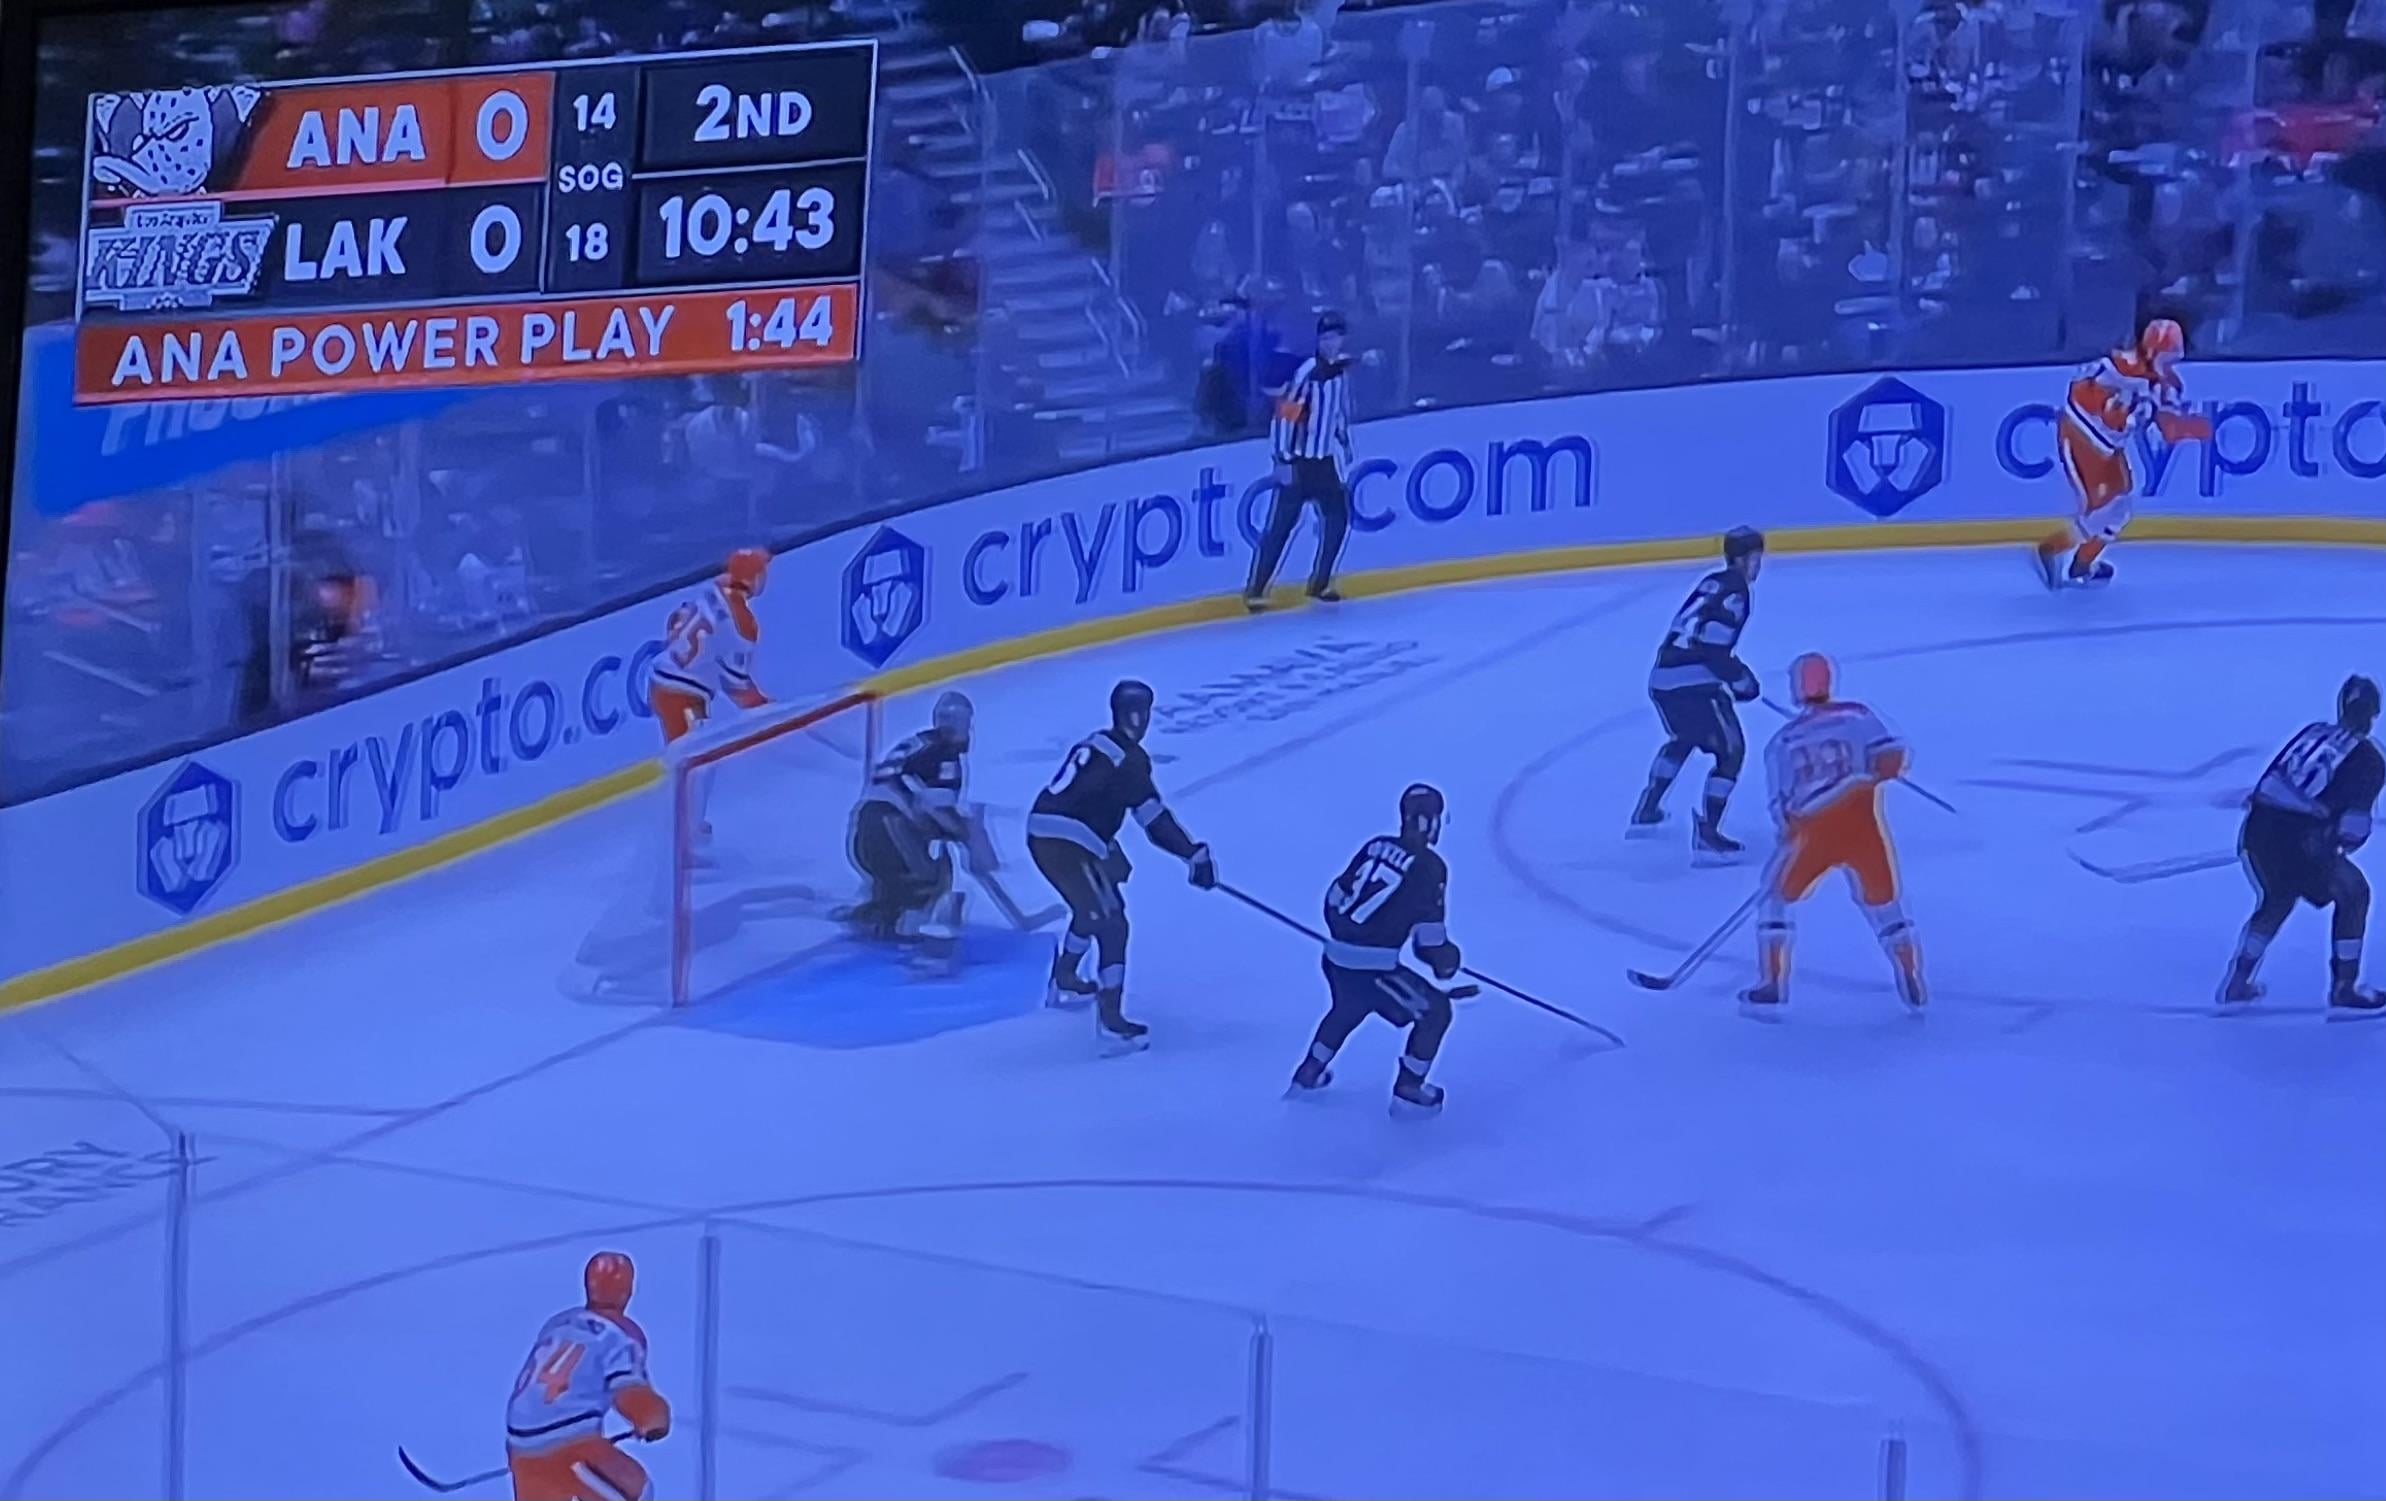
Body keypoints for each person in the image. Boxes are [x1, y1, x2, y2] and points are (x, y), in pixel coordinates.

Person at [1027, 680, 1219, 1053]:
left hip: (1047, 834)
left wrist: (1107, 848)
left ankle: (1065, 980)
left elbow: (1087, 799)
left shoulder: (1096, 743)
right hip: (1068, 843)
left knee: (1092, 908)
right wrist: (1192, 854)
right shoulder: (1129, 760)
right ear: (1135, 716)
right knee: (1111, 921)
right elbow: (1154, 820)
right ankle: (1111, 1021)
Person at [1745, 653, 1927, 1014]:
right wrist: (1878, 772)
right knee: (1885, 905)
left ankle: (1772, 981)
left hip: (1814, 830)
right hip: (1861, 824)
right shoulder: (1858, 716)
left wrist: (1789, 832)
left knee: (1774, 899)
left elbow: (1781, 804)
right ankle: (1909, 971)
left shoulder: (1783, 741)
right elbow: (1892, 757)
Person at [1291, 784, 1463, 1116]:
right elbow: (1430, 944)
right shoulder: (1431, 868)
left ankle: (1308, 1073)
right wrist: (1447, 961)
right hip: (1374, 969)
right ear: (1430, 822)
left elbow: (1333, 898)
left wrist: (1347, 935)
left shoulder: (1376, 845)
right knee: (1436, 1012)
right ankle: (1409, 1090)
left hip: (1334, 958)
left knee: (1347, 1008)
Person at [2220, 675, 2383, 1012]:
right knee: (2354, 893)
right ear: (2373, 714)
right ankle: (2344, 987)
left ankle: (2238, 979)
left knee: (2277, 898)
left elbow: (2268, 785)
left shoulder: (2313, 733)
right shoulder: (2369, 759)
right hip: (2303, 841)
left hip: (2257, 831)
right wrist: (2335, 839)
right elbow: (2353, 830)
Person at [2033, 318, 2212, 590]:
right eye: (2166, 357)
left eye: (2173, 359)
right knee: (2102, 511)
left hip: (2109, 447)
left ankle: (2082, 565)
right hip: (2082, 437)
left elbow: (2169, 429)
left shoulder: (2164, 386)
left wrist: (2190, 427)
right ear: (2151, 351)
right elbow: (2081, 393)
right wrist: (2111, 409)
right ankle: (2052, 548)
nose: (2169, 365)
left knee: (2120, 508)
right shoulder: (2117, 367)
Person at [1631, 528, 1766, 861]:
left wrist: (1732, 671)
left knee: (1684, 737)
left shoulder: (1713, 582)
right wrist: (1741, 681)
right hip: (1692, 684)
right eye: (1755, 558)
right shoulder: (1737, 592)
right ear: (1741, 559)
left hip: (1662, 678)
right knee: (1731, 752)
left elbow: (1695, 637)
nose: (1758, 565)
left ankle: (1648, 809)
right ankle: (1708, 835)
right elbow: (1712, 648)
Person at [505, 1252, 670, 1501]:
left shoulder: (559, 1323)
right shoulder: (620, 1334)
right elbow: (630, 1393)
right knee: (636, 1490)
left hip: (519, 1443)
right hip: (571, 1442)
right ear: (627, 1290)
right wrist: (652, 1418)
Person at [846, 691, 988, 947]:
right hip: (890, 827)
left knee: (893, 885)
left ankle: (876, 920)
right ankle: (919, 939)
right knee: (929, 878)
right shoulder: (945, 754)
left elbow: (912, 794)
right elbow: (937, 809)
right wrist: (967, 835)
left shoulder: (919, 742)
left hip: (862, 828)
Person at [1244, 312, 1357, 611]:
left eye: (1336, 337)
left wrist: (1343, 440)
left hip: (1324, 462)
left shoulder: (1340, 370)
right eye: (1326, 338)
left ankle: (1320, 582)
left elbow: (1337, 411)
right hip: (1299, 461)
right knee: (1281, 527)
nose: (1331, 343)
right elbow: (1286, 414)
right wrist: (1282, 458)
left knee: (1338, 517)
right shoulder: (1307, 373)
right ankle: (1256, 589)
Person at [649, 548, 771, 744]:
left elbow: (676, 618)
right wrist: (772, 711)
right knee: (690, 752)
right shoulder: (744, 627)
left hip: (664, 675)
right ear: (754, 580)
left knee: (691, 748)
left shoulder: (711, 588)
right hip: (681, 691)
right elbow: (737, 688)